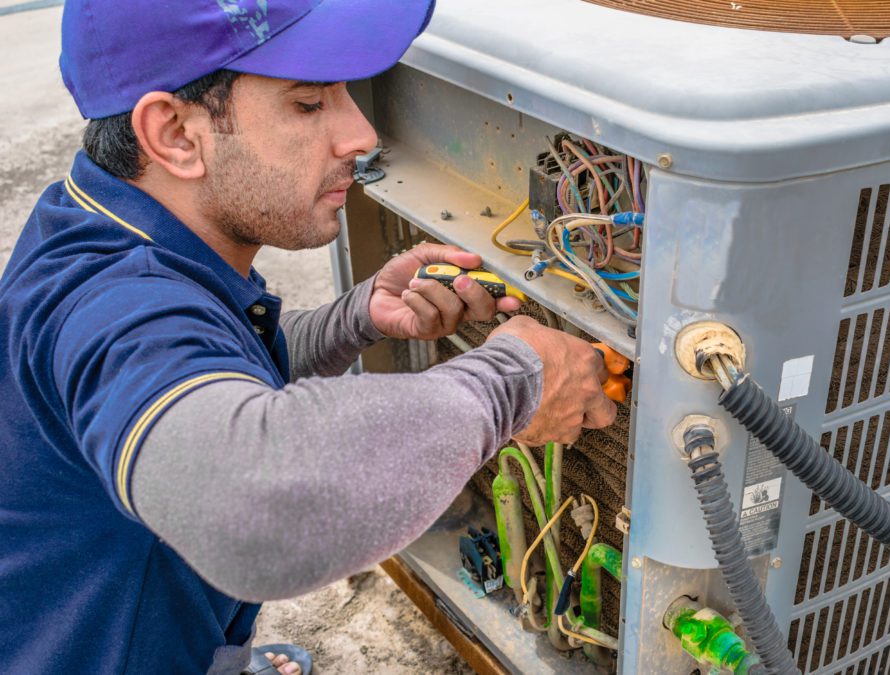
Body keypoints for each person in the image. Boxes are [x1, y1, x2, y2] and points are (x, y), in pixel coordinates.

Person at [0, 1, 617, 673]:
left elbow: (204, 359)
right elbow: (252, 505)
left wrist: (350, 320)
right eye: (307, 104)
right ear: (175, 133)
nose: (360, 134)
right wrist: (515, 382)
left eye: (345, 94)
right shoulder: (110, 301)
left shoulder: (100, 219)